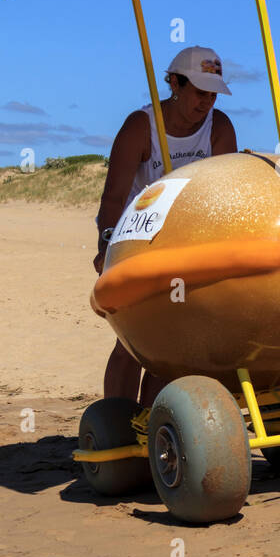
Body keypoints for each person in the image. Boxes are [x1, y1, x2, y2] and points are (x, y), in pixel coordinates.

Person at [94, 46, 238, 403]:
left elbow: (225, 193)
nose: (206, 103)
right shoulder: (140, 127)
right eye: (199, 93)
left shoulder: (218, 127)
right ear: (175, 83)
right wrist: (105, 247)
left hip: (187, 239)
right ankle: (119, 424)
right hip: (137, 238)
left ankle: (155, 421)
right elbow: (113, 197)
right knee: (134, 339)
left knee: (174, 343)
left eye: (213, 95)